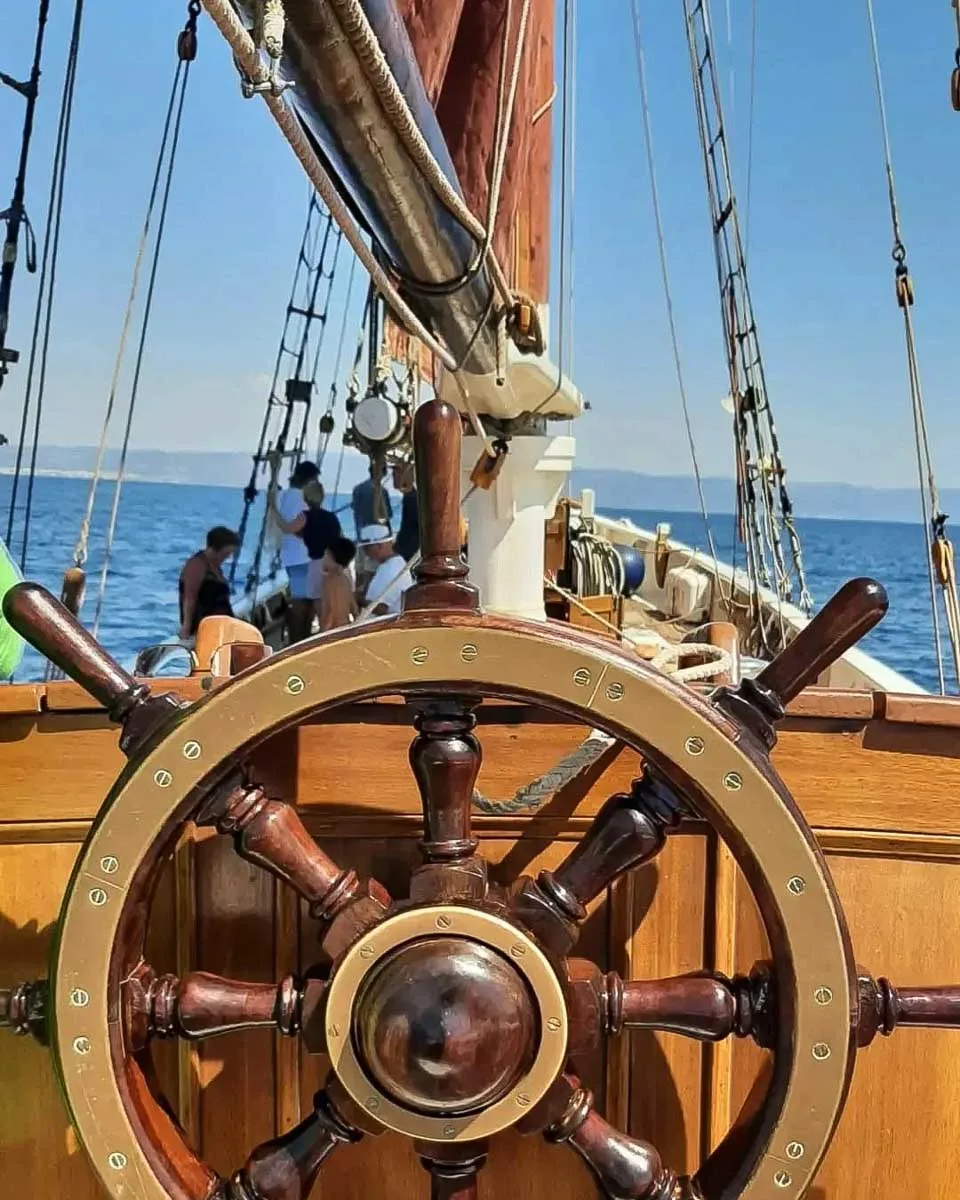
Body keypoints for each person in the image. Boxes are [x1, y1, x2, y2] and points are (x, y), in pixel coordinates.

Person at [269, 478, 341, 626]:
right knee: (331, 602)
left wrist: (274, 509)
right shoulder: (331, 517)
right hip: (334, 563)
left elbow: (287, 528)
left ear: (306, 498)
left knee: (319, 603)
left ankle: (323, 634)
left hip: (318, 564)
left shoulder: (306, 516)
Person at [276, 461, 319, 643]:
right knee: (303, 603)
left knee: (302, 601)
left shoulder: (281, 496)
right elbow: (299, 528)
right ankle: (299, 641)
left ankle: (300, 639)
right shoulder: (303, 500)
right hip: (305, 558)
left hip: (289, 557)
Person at [179, 526, 240, 641]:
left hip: (221, 626)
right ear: (214, 549)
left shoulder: (214, 566)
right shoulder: (197, 565)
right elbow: (189, 598)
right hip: (205, 629)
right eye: (225, 553)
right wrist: (186, 627)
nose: (227, 557)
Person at [359, 524, 413, 616]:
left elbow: (382, 608)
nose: (366, 553)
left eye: (367, 548)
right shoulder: (388, 565)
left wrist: (357, 599)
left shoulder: (392, 569)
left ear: (379, 546)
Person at [319, 536, 359, 631]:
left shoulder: (331, 580)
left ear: (330, 555)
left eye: (325, 554)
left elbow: (332, 611)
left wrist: (323, 632)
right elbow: (353, 606)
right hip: (345, 627)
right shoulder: (345, 579)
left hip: (334, 629)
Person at [351, 461, 393, 538]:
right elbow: (388, 514)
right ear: (384, 473)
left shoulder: (357, 489)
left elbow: (355, 509)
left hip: (362, 534)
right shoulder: (382, 491)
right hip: (379, 536)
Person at [393, 461, 419, 562]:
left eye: (396, 473)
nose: (393, 477)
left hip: (409, 555)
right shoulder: (410, 497)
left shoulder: (413, 499)